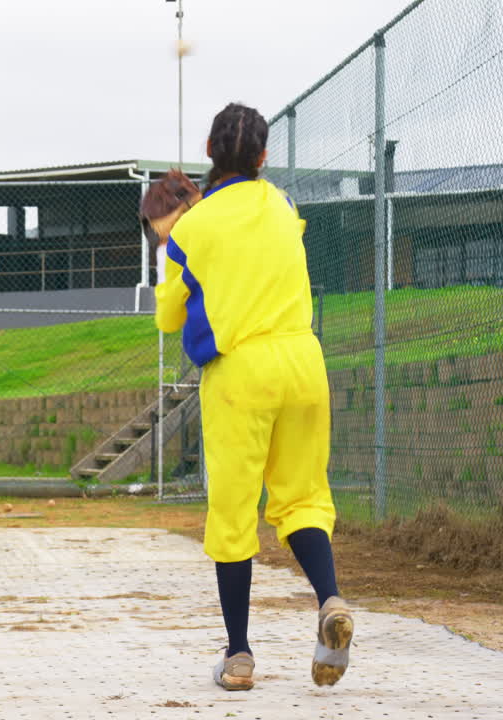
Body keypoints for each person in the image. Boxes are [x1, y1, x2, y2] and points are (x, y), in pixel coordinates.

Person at [142, 103, 353, 691]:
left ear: (209, 147)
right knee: (303, 498)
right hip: (304, 361)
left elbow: (168, 316)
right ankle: (330, 600)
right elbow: (263, 236)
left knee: (235, 513)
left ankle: (239, 656)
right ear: (263, 157)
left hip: (241, 375)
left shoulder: (192, 229)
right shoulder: (283, 206)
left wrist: (171, 235)